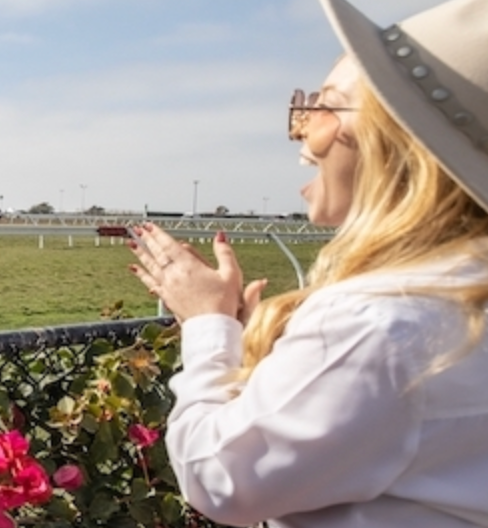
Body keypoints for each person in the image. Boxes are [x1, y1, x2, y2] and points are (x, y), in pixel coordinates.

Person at [128, 0, 488, 526]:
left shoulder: (381, 321)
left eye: (325, 108)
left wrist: (207, 325)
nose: (301, 132)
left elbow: (221, 478)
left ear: (396, 143)